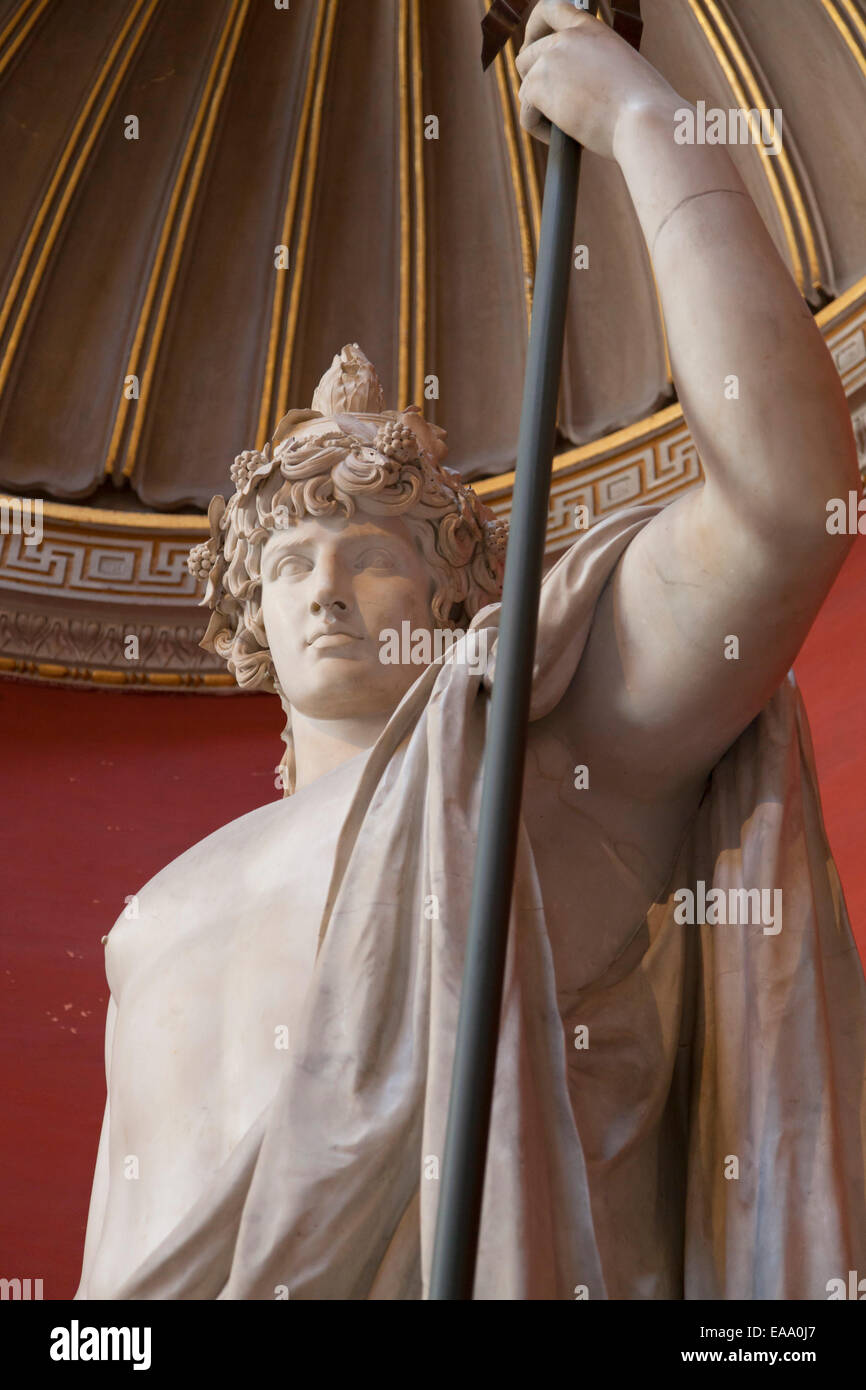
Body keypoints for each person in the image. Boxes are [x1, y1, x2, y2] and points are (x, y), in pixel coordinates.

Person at [76, 3, 866, 1299]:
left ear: (456, 599)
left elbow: (784, 504)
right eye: (286, 562)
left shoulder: (525, 745)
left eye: (372, 551)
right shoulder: (153, 911)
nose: (324, 584)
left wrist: (639, 121)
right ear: (242, 619)